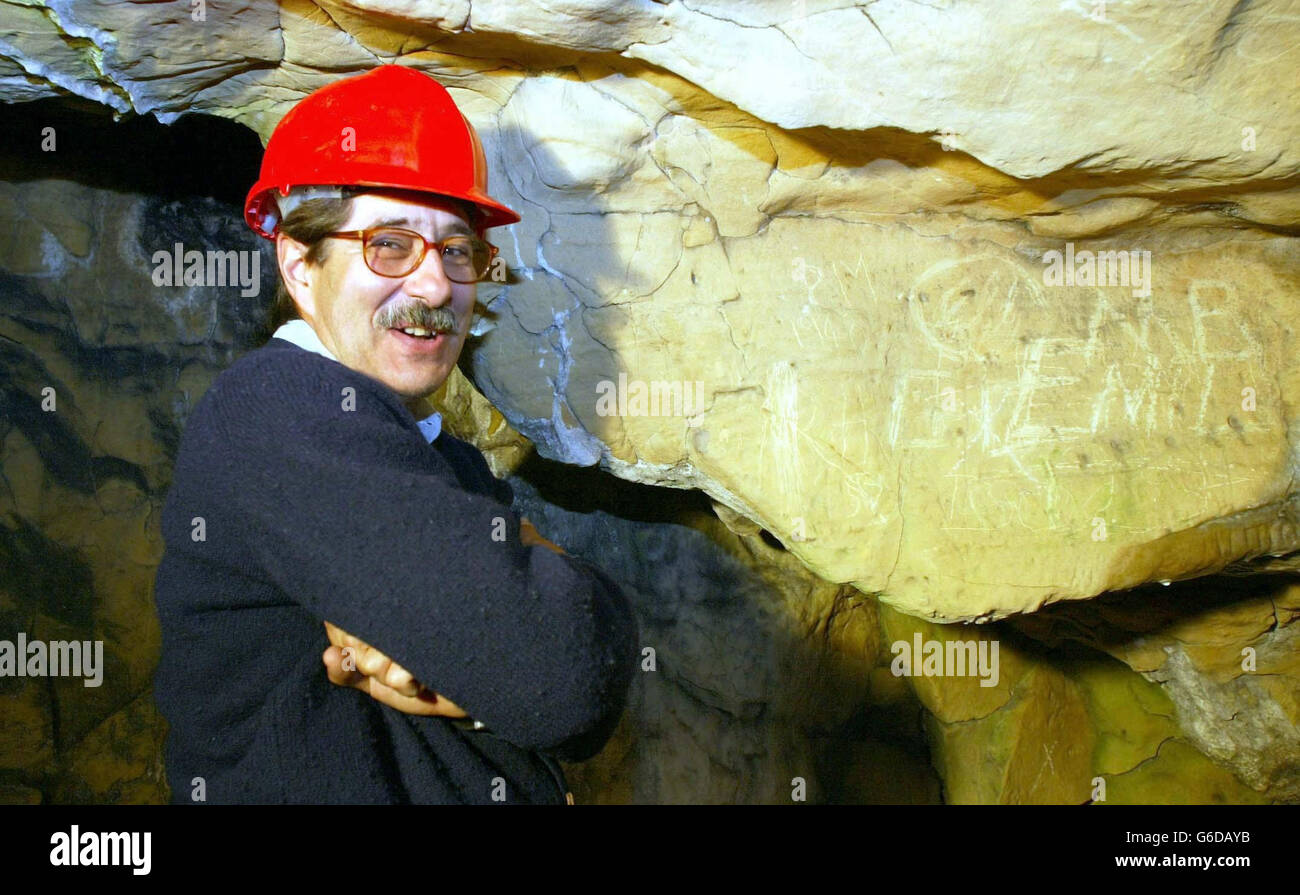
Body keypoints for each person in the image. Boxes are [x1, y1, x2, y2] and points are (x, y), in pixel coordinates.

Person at [152, 65, 639, 804]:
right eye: (389, 245)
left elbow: (576, 674)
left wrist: (477, 667)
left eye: (455, 249)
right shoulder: (274, 409)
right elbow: (567, 677)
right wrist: (532, 602)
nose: (437, 285)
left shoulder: (446, 457)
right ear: (299, 265)